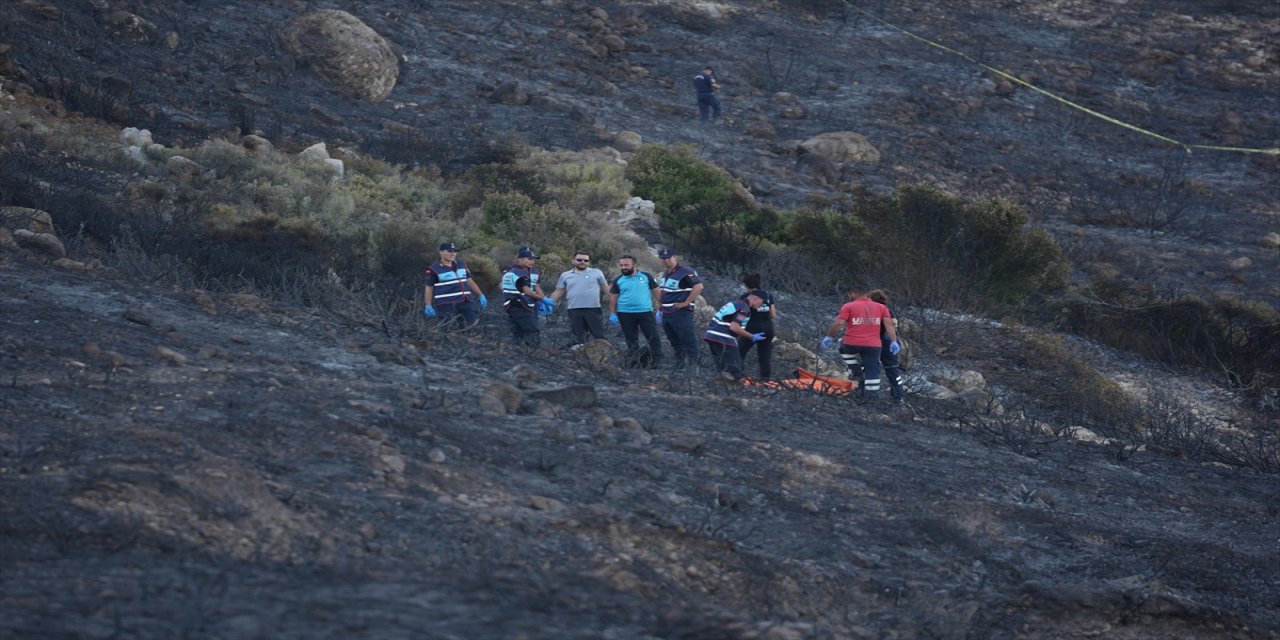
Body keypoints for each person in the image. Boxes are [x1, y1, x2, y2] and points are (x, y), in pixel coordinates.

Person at [820, 288, 899, 401]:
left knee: (843, 348)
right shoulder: (882, 307)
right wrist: (893, 341)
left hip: (851, 343)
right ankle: (872, 398)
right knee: (873, 370)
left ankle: (856, 371)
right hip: (873, 345)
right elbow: (890, 325)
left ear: (853, 293)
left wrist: (829, 336)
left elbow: (839, 323)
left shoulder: (848, 306)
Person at [608, 254, 663, 367]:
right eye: (621, 265)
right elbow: (613, 298)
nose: (623, 267)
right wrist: (612, 313)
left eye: (626, 265)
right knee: (631, 338)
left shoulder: (646, 277)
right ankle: (635, 360)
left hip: (645, 312)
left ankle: (658, 360)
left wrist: (661, 308)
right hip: (625, 313)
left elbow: (657, 292)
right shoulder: (618, 280)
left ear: (635, 265)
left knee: (652, 336)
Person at [548, 250, 611, 344]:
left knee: (599, 336)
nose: (583, 262)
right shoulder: (565, 275)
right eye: (579, 260)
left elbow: (606, 288)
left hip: (593, 309)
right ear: (573, 261)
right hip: (574, 310)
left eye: (586, 260)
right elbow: (559, 291)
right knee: (579, 338)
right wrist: (549, 303)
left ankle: (602, 353)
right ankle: (581, 353)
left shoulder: (597, 272)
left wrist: (619, 301)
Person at [704, 290, 767, 381]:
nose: (761, 305)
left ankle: (718, 387)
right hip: (723, 338)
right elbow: (734, 327)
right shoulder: (744, 309)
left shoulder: (736, 303)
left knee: (723, 368)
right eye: (762, 302)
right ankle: (734, 387)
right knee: (735, 369)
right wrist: (752, 336)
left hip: (712, 336)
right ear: (756, 298)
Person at [657, 247, 704, 367]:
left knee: (688, 338)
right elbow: (665, 292)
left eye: (669, 258)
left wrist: (686, 302)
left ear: (674, 257)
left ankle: (694, 365)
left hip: (680, 312)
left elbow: (698, 286)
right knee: (673, 339)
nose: (666, 260)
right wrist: (660, 306)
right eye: (663, 258)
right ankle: (680, 363)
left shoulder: (685, 272)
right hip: (666, 312)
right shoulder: (665, 274)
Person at [424, 242, 487, 329]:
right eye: (449, 251)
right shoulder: (433, 269)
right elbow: (429, 288)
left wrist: (480, 294)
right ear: (441, 252)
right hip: (447, 304)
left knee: (472, 327)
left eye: (455, 251)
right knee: (449, 329)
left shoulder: (461, 264)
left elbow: (469, 280)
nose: (453, 254)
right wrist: (428, 305)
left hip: (465, 302)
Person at [499, 246, 548, 346]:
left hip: (531, 303)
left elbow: (536, 286)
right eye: (529, 259)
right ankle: (532, 349)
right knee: (529, 329)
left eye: (533, 259)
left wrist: (542, 299)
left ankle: (521, 349)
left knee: (527, 327)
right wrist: (509, 292)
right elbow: (526, 291)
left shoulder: (535, 271)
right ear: (519, 258)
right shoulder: (513, 271)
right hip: (518, 303)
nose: (532, 261)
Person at [867, 289, 906, 402]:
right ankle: (898, 396)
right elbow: (894, 323)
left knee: (870, 368)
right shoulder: (888, 310)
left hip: (877, 341)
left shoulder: (871, 310)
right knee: (892, 369)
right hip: (889, 341)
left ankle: (869, 395)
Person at [736, 273, 776, 379]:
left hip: (752, 329)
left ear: (746, 285)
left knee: (739, 354)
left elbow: (740, 316)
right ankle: (765, 381)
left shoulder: (745, 297)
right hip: (768, 329)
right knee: (764, 358)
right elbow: (773, 315)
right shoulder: (767, 295)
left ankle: (736, 377)